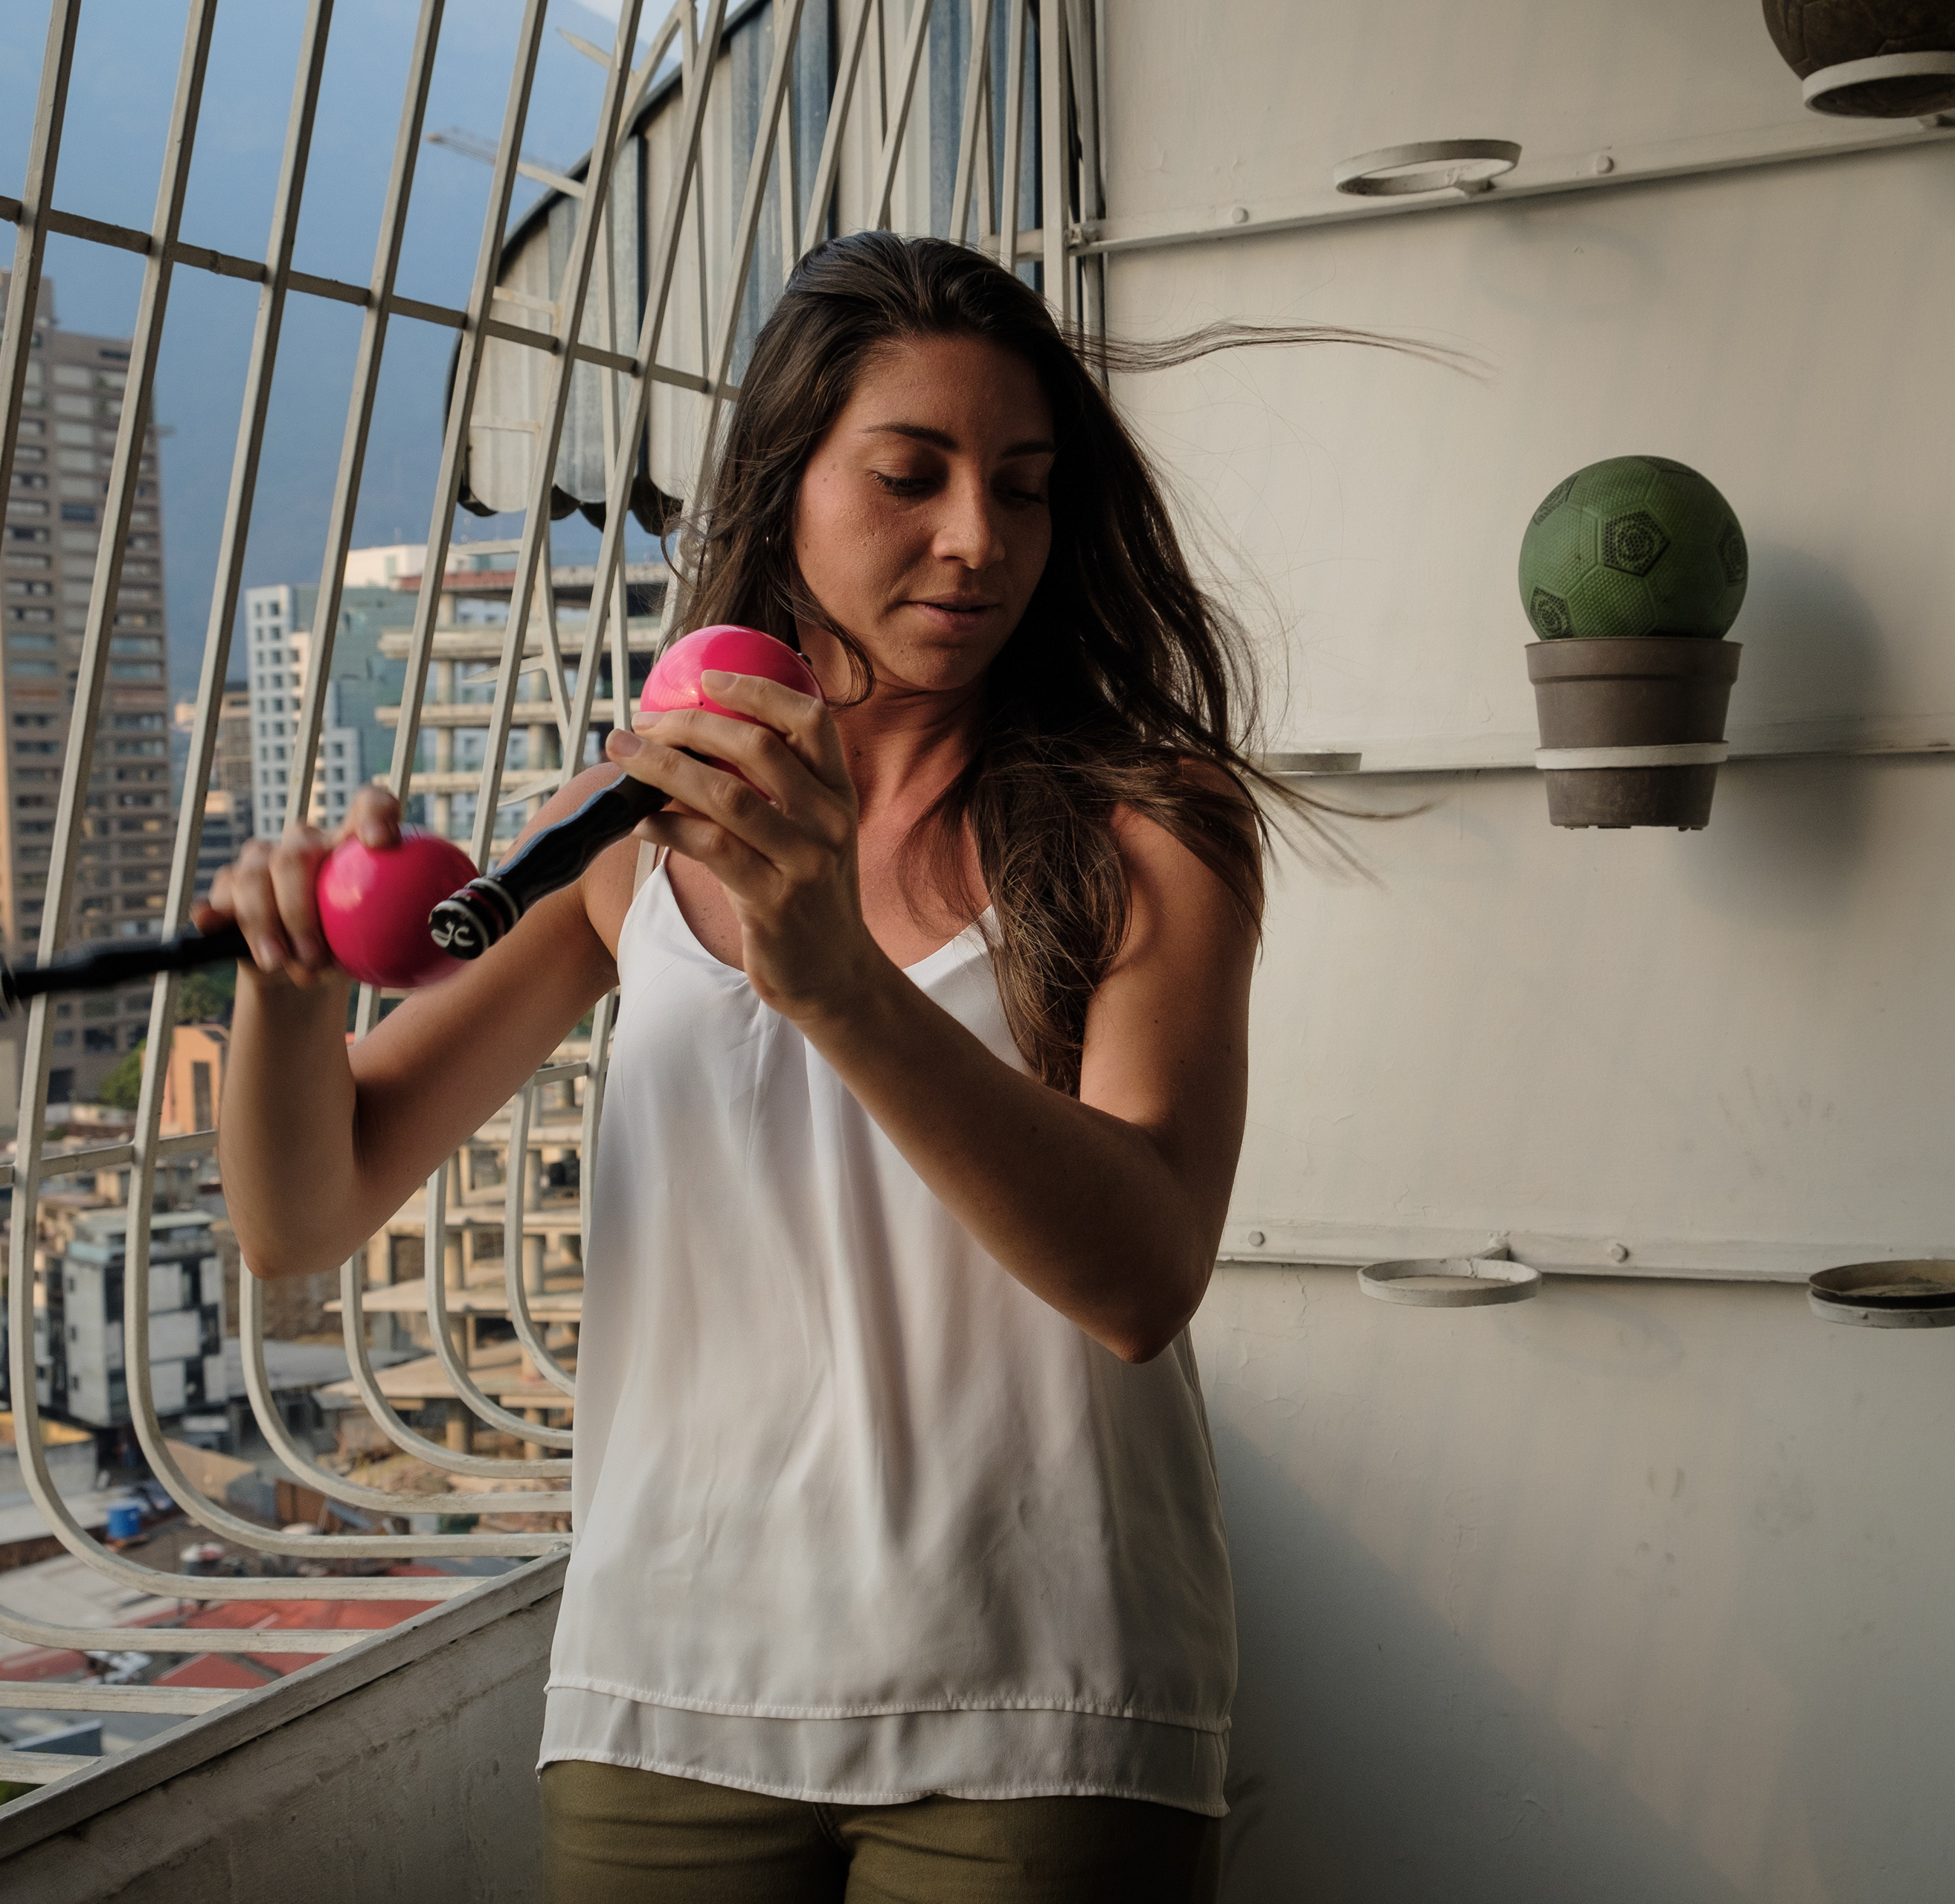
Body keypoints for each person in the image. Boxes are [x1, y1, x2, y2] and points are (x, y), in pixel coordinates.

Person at [209, 233, 1304, 1903]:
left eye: (1023, 486)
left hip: (1039, 1691)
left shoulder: (1149, 821)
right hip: (666, 1689)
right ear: (783, 486)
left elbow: (1146, 1271)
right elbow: (309, 1206)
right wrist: (285, 998)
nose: (976, 538)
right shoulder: (625, 827)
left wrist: (842, 982)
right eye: (911, 474)